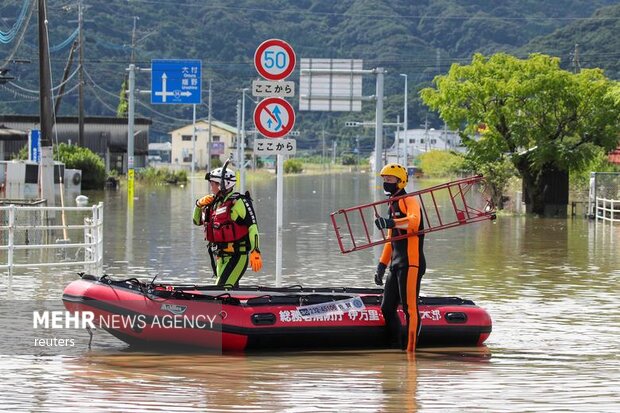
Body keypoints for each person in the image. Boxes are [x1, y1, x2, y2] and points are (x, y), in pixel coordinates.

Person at [373, 163, 426, 352]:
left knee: (410, 308)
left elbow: (413, 223)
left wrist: (391, 221)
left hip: (411, 262)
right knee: (387, 307)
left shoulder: (409, 200)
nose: (386, 183)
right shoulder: (391, 205)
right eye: (384, 179)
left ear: (400, 181)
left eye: (390, 179)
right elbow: (390, 239)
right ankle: (396, 345)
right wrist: (381, 265)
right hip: (396, 264)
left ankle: (411, 352)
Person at [192, 165, 262, 288]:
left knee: (221, 289)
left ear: (223, 184)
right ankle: (236, 306)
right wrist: (198, 205)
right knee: (228, 291)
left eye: (213, 183)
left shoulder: (240, 202)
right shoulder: (214, 203)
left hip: (237, 256)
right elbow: (196, 221)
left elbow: (253, 227)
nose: (211, 186)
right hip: (220, 257)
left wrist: (255, 250)